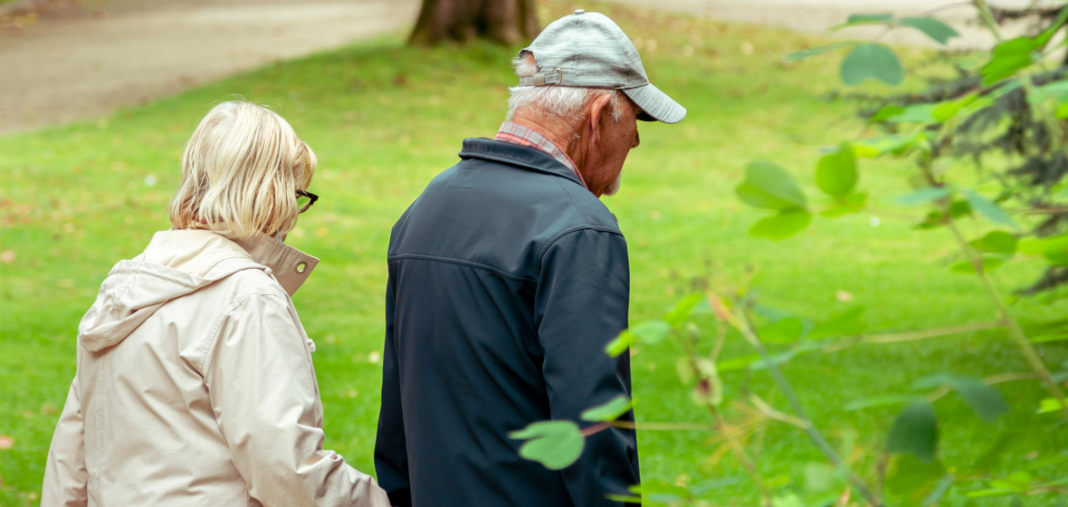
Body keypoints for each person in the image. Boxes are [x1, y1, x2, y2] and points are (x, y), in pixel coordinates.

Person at [375, 10, 686, 507]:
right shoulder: (579, 228)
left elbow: (398, 413)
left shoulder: (426, 206)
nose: (637, 139)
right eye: (635, 118)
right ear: (600, 112)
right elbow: (592, 425)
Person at [42, 101, 390, 507]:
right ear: (271, 193)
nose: (296, 211)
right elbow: (285, 468)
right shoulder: (245, 297)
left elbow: (71, 454)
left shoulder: (127, 287)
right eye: (297, 193)